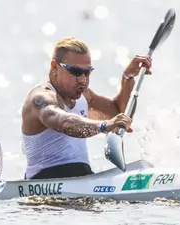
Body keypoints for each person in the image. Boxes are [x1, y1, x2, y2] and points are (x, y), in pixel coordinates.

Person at [21, 36, 152, 180]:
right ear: (54, 67)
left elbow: (119, 113)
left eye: (87, 72)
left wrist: (128, 78)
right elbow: (64, 122)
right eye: (75, 72)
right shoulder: (40, 98)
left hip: (82, 178)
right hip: (45, 184)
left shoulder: (84, 95)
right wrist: (104, 126)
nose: (83, 80)